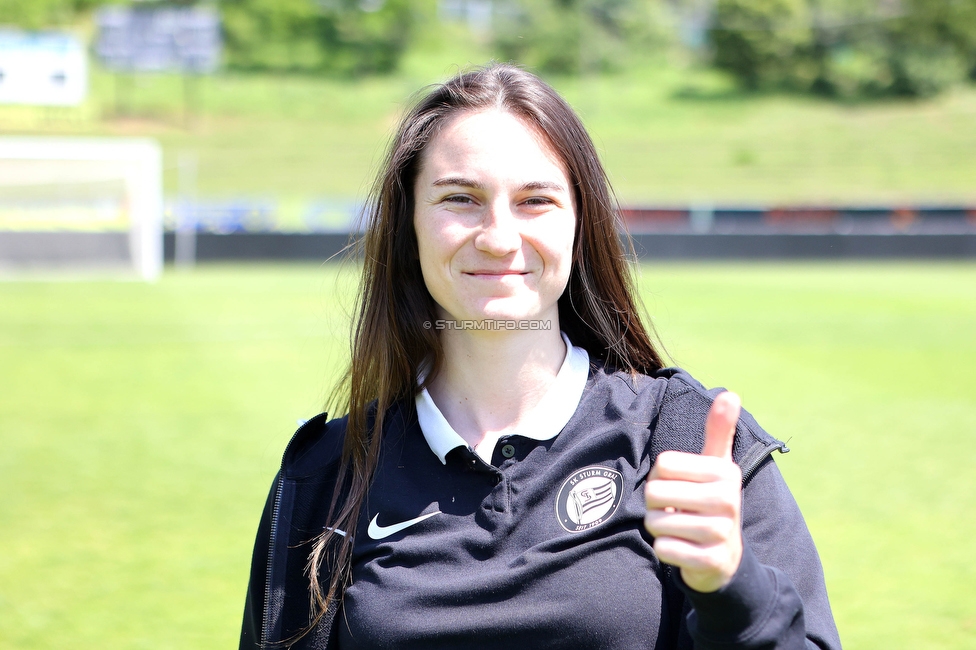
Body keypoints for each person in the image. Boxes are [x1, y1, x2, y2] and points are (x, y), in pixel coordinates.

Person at [240, 63, 841, 650]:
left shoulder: (689, 447)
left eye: (535, 201)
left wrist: (733, 590)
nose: (499, 237)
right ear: (410, 224)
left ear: (580, 224)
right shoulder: (327, 475)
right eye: (460, 198)